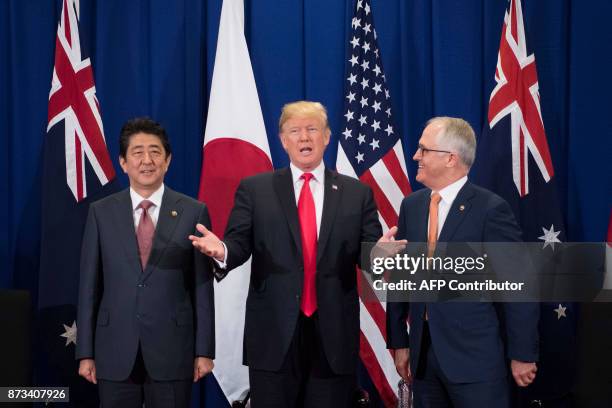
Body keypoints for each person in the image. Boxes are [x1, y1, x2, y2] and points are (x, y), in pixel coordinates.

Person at [189, 101, 386, 407]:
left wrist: (379, 255)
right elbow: (238, 243)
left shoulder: (356, 193)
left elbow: (368, 254)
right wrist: (223, 251)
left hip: (333, 337)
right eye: (295, 131)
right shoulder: (256, 189)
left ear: (327, 136)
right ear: (283, 140)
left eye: (312, 130)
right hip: (272, 336)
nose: (304, 138)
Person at [386, 117, 539, 407]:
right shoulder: (413, 206)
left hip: (474, 361)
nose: (416, 155)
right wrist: (400, 341)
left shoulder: (490, 210)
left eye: (423, 150)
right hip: (423, 358)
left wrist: (522, 353)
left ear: (450, 158)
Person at [76, 117, 215, 407]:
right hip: (114, 349)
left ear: (168, 161)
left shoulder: (193, 211)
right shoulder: (101, 213)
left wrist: (204, 350)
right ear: (124, 163)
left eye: (155, 152)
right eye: (137, 152)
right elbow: (89, 286)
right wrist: (85, 351)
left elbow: (202, 287)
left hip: (173, 351)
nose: (147, 160)